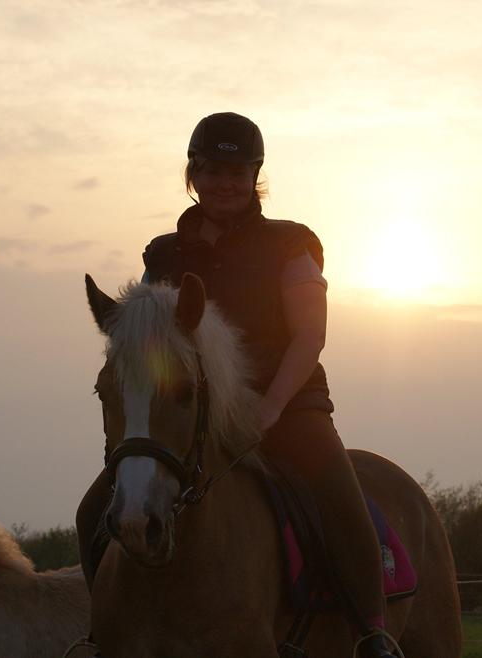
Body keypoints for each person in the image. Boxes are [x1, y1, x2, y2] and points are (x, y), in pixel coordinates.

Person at [76, 112, 398, 657]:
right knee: (93, 511)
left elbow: (309, 337)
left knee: (339, 497)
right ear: (193, 173)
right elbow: (157, 347)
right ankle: (103, 633)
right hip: (195, 408)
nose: (226, 182)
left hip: (286, 404)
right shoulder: (164, 253)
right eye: (213, 169)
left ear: (256, 176)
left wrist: (270, 409)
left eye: (238, 170)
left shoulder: (291, 243)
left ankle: (372, 633)